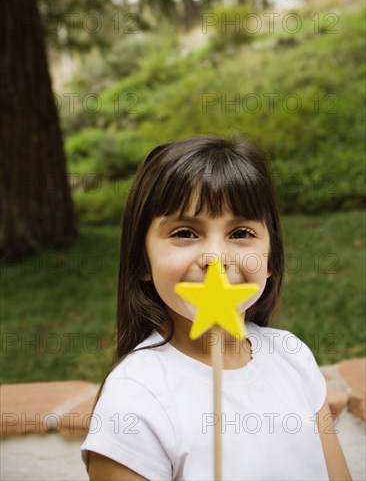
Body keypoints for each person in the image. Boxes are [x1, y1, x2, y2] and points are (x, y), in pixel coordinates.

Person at [81, 134, 351, 481]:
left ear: (272, 259)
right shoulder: (134, 401)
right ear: (142, 261)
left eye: (240, 233)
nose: (216, 258)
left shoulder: (293, 356)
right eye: (184, 232)